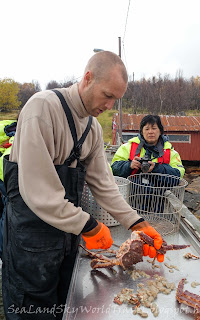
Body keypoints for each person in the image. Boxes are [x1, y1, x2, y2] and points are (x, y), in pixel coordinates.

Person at [3, 52, 164, 320]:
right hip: (29, 237)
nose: (110, 105)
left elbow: (103, 182)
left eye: (116, 99)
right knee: (31, 307)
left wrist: (137, 223)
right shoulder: (42, 109)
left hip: (66, 237)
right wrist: (88, 225)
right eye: (107, 95)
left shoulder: (93, 128)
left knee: (65, 303)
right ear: (87, 78)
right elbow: (38, 190)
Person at [111, 114, 185, 179]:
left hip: (160, 192)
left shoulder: (170, 152)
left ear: (160, 131)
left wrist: (157, 168)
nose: (150, 132)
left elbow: (179, 174)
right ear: (142, 132)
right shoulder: (127, 147)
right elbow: (113, 169)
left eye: (154, 128)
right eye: (146, 129)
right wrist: (129, 165)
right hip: (131, 191)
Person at [0, 120, 17, 258]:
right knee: (7, 213)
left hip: (4, 174)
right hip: (7, 176)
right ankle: (4, 251)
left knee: (6, 212)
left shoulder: (9, 127)